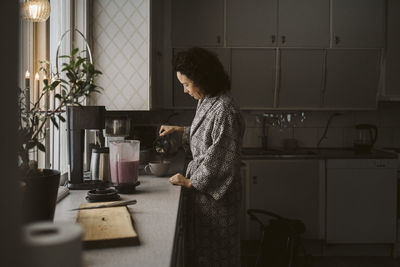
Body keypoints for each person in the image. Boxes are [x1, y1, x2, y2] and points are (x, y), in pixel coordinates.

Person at [159, 47, 245, 267]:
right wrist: (181, 130)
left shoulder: (225, 110)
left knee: (218, 257)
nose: (185, 91)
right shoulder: (208, 99)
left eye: (187, 84)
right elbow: (207, 137)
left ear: (203, 79)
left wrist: (189, 182)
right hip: (204, 197)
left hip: (217, 202)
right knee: (204, 256)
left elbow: (222, 159)